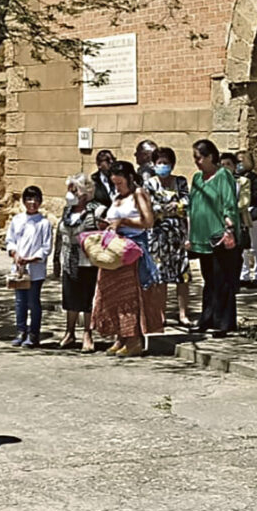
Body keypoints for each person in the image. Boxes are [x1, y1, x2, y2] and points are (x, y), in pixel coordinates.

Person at [90, 161, 161, 357]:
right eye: (115, 184)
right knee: (115, 293)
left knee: (130, 295)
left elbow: (148, 221)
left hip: (131, 249)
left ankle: (134, 339)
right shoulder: (116, 197)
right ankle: (120, 335)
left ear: (129, 178)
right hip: (114, 248)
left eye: (120, 183)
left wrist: (123, 221)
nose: (117, 187)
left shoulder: (138, 194)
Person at [188, 139, 241, 337]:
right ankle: (207, 318)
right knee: (208, 280)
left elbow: (229, 202)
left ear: (211, 156)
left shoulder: (223, 176)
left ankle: (223, 323)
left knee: (222, 280)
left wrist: (229, 227)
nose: (197, 162)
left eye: (199, 157)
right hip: (202, 238)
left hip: (219, 237)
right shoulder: (197, 179)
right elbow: (193, 204)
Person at [146, 147, 192, 326]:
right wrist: (169, 207)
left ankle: (183, 314)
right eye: (159, 163)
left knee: (183, 276)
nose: (163, 166)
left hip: (178, 235)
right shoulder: (150, 183)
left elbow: (187, 203)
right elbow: (150, 206)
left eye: (166, 162)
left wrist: (177, 206)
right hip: (158, 236)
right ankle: (160, 313)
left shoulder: (180, 181)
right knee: (161, 276)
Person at [57, 174, 101, 352]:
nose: (70, 194)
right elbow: (59, 235)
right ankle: (69, 332)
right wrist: (56, 258)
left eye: (74, 190)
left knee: (87, 299)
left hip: (87, 261)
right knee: (70, 298)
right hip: (68, 259)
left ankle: (87, 334)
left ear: (84, 192)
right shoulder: (67, 211)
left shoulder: (95, 211)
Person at [6, 186, 52, 349]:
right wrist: (15, 254)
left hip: (35, 270)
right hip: (19, 269)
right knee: (20, 302)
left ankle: (34, 334)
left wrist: (32, 259)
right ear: (24, 201)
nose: (32, 203)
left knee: (34, 302)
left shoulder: (44, 223)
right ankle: (20, 330)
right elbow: (10, 240)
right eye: (29, 199)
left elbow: (46, 247)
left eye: (35, 199)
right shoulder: (17, 220)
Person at [237, 151, 257, 288]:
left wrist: (244, 203)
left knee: (256, 247)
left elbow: (256, 195)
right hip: (240, 216)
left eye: (241, 161)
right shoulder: (235, 178)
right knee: (243, 247)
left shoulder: (255, 179)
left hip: (255, 216)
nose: (239, 165)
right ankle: (244, 275)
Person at [220, 152, 253, 252]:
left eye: (228, 164)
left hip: (237, 222)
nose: (225, 167)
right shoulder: (215, 182)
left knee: (236, 254)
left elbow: (244, 202)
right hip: (218, 224)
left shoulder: (242, 181)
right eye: (222, 165)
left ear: (234, 166)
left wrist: (227, 212)